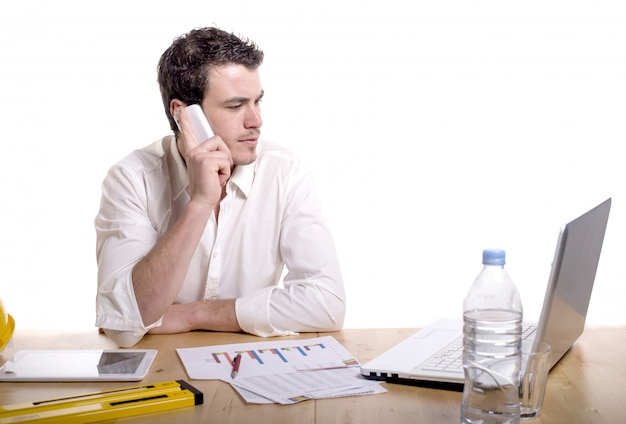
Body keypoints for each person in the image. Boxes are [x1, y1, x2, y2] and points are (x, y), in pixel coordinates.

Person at [94, 27, 346, 348]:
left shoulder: (284, 172)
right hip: (159, 369)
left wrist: (193, 315)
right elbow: (123, 321)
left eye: (257, 102)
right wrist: (199, 203)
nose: (256, 120)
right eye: (235, 105)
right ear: (184, 114)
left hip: (250, 367)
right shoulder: (131, 178)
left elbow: (327, 303)